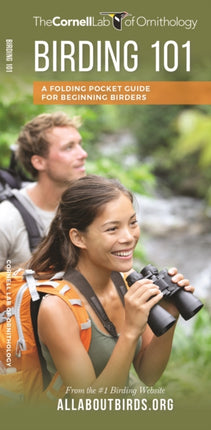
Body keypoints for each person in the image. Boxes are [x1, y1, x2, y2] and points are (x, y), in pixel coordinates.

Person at [28, 175, 194, 393]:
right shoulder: (57, 309)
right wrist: (130, 330)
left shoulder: (127, 282)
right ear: (78, 238)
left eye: (133, 223)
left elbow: (149, 374)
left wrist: (171, 312)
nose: (129, 237)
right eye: (112, 229)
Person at [0, 112, 88, 270]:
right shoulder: (6, 220)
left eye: (79, 144)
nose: (83, 154)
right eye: (69, 147)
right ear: (39, 162)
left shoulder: (88, 209)